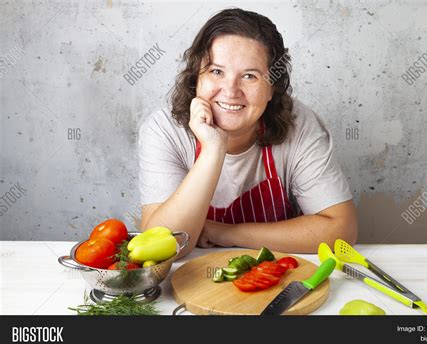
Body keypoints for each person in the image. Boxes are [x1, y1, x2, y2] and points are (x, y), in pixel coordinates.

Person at [138, 8, 357, 258]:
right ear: (196, 75)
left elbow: (342, 231)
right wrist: (213, 150)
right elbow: (160, 250)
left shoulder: (301, 125)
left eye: (250, 76)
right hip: (191, 280)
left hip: (273, 273)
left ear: (272, 87)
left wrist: (227, 233)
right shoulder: (165, 130)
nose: (230, 91)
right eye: (216, 71)